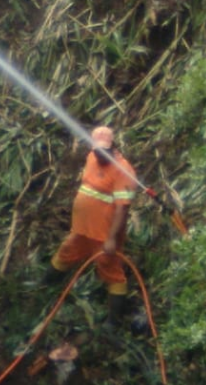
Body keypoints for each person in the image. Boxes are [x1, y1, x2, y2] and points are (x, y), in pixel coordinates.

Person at [45, 126, 137, 328]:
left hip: (103, 234)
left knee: (110, 269)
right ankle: (44, 287)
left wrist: (111, 239)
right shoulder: (91, 157)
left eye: (105, 150)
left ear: (113, 147)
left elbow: (122, 209)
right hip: (82, 229)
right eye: (97, 150)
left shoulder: (123, 170)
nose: (100, 154)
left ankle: (114, 321)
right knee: (66, 252)